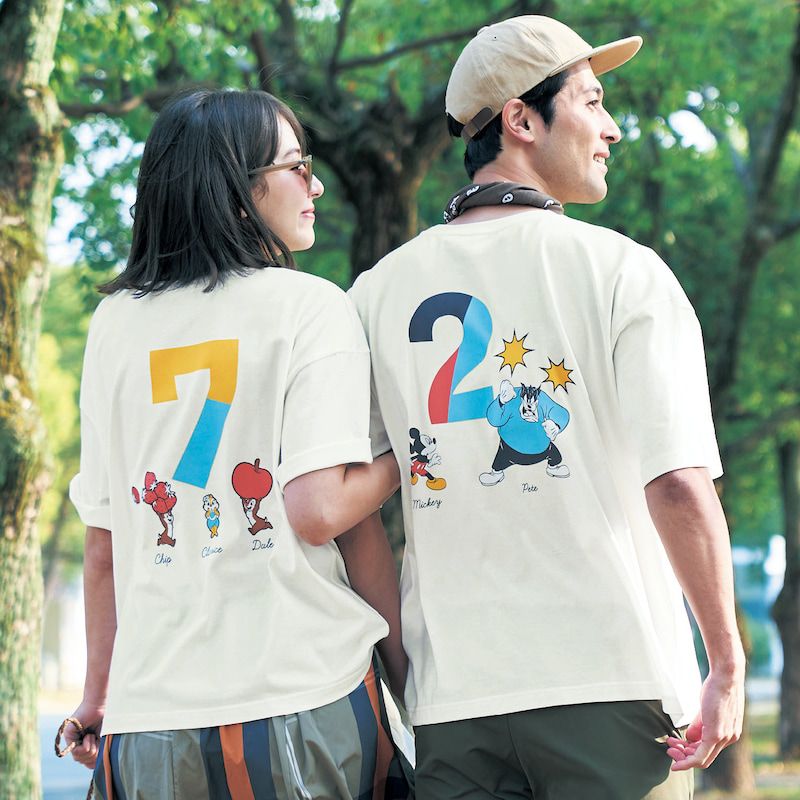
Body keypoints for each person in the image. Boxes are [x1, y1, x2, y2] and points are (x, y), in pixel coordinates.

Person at [347, 15, 745, 800]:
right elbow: (677, 483)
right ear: (521, 120)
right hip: (613, 686)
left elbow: (351, 511)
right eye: (592, 102)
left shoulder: (372, 294)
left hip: (454, 702)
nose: (612, 127)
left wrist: (403, 668)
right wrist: (726, 663)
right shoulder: (622, 272)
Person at [62, 88, 411, 800]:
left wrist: (99, 696)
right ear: (238, 188)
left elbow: (104, 544)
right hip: (303, 697)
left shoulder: (114, 324)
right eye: (297, 166)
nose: (314, 185)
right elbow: (339, 520)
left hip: (150, 718)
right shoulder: (311, 306)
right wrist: (404, 456)